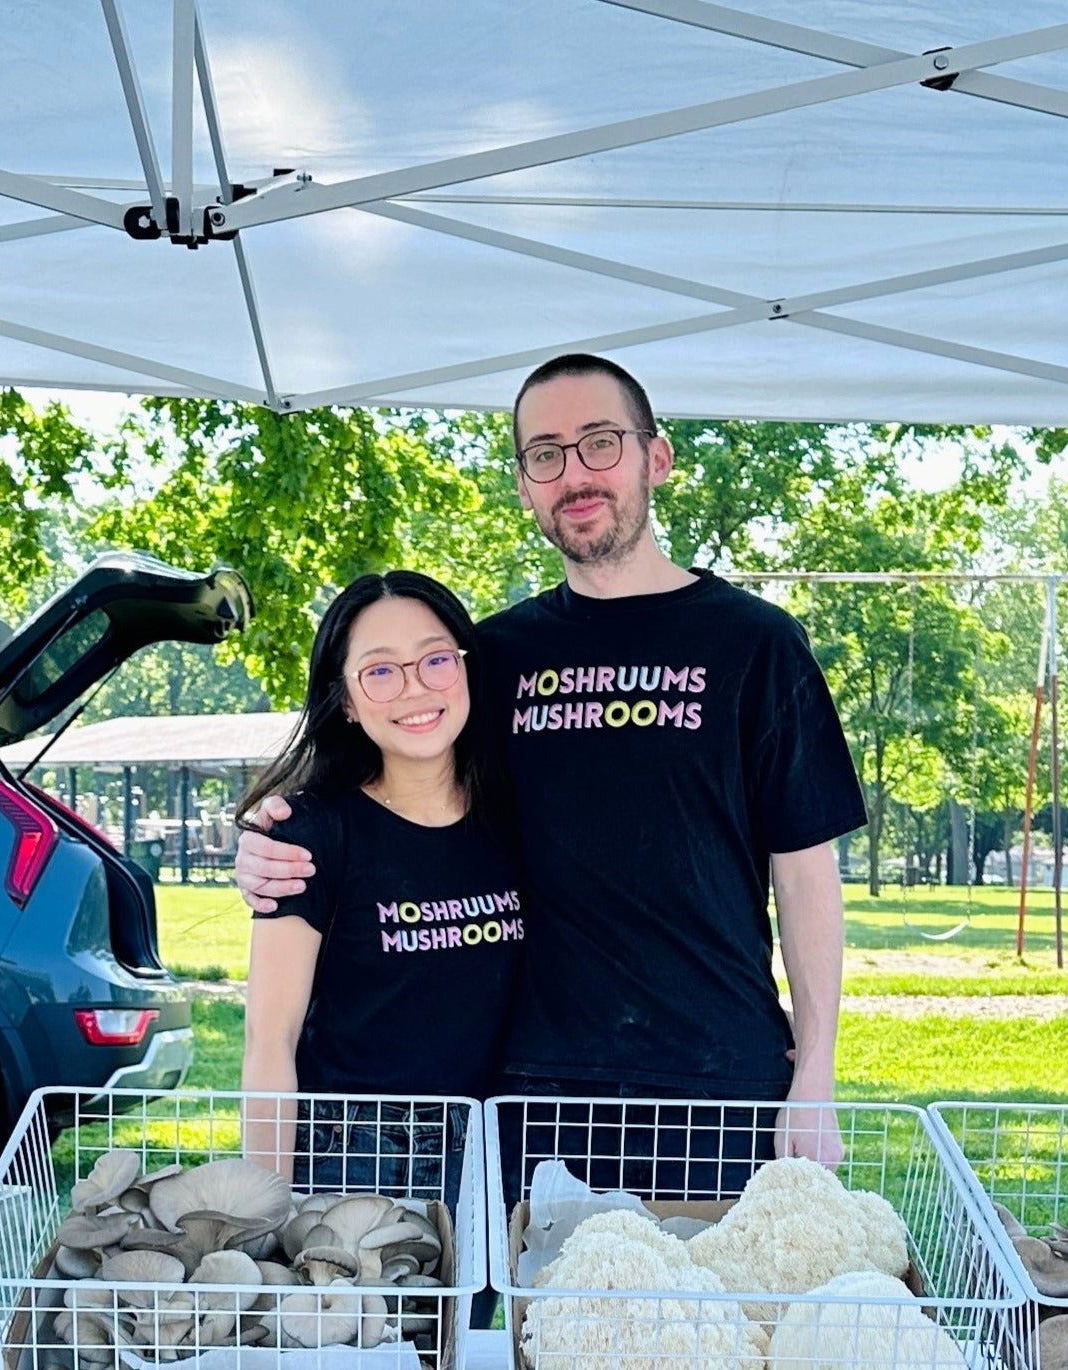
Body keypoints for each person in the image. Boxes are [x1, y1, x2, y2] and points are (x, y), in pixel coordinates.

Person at [237, 354, 866, 1186]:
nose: (575, 473)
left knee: (718, 1318)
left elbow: (806, 870)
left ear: (657, 457)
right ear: (524, 484)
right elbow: (392, 769)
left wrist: (815, 1069)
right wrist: (266, 841)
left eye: (600, 443)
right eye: (545, 454)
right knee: (549, 1318)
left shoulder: (757, 645)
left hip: (720, 1076)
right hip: (537, 1093)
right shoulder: (494, 657)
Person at [239, 570, 521, 1199]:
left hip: (492, 1159)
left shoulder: (520, 819)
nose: (415, 688)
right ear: (345, 699)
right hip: (352, 1163)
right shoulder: (307, 833)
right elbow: (268, 1042)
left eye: (436, 660)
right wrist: (262, 1214)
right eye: (381, 671)